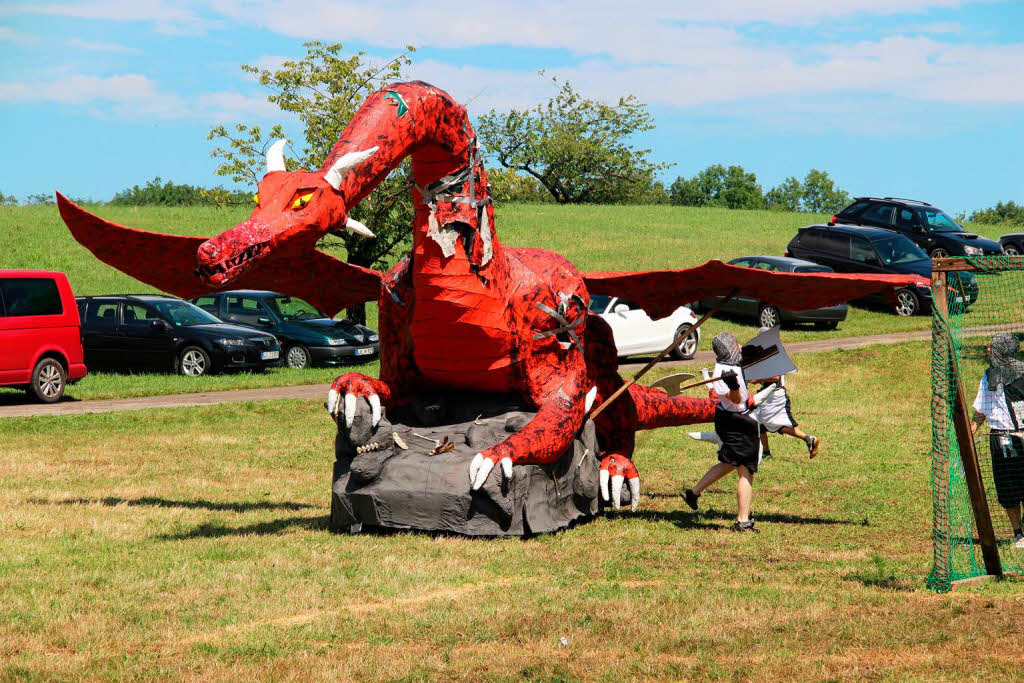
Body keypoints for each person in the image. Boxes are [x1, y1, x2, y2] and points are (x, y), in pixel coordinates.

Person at [682, 332, 764, 532]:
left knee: (729, 463)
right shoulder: (723, 374)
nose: (740, 345)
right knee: (746, 469)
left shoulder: (733, 364)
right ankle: (742, 521)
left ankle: (693, 493)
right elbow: (736, 400)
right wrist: (733, 385)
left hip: (734, 420)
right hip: (736, 422)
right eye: (736, 343)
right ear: (729, 349)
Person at [970, 333, 1024, 549]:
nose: (988, 350)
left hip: (1017, 436)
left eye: (992, 348)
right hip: (1002, 439)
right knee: (1009, 488)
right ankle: (1018, 533)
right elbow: (982, 409)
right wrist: (971, 431)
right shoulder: (990, 376)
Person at [753, 374, 819, 459]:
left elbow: (776, 377)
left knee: (776, 424)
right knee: (759, 423)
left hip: (774, 396)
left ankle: (809, 439)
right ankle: (766, 453)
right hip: (768, 394)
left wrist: (758, 380)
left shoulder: (775, 361)